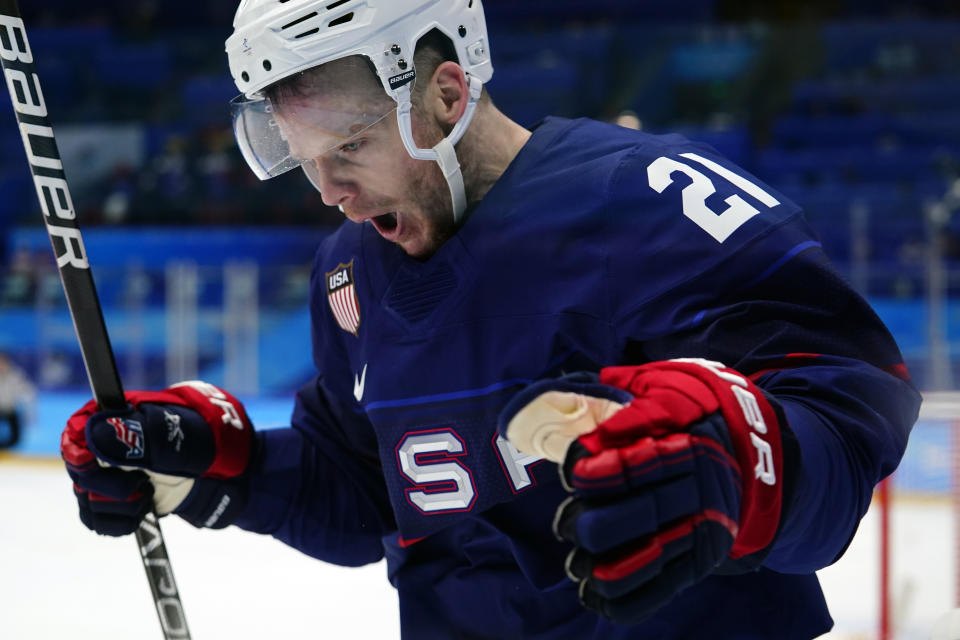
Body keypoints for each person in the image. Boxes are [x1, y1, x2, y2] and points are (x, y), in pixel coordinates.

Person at [60, 1, 921, 638]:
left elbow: (853, 404)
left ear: (445, 91)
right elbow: (373, 494)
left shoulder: (650, 198)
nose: (328, 192)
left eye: (349, 147)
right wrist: (226, 466)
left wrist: (737, 452)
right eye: (310, 162)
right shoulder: (348, 273)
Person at [0, 353, 35, 450]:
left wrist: (29, 413)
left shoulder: (15, 376)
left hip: (10, 411)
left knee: (15, 438)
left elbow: (29, 392)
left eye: (2, 363)